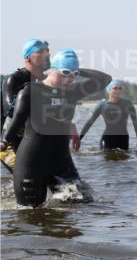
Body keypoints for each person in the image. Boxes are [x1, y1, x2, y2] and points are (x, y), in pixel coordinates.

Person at [0, 49, 111, 206]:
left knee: (83, 204)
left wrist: (77, 69)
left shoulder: (73, 92)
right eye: (64, 73)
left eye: (74, 74)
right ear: (52, 69)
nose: (69, 79)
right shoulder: (30, 91)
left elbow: (105, 79)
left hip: (61, 163)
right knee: (31, 217)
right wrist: (3, 143)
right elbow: (16, 121)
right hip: (31, 164)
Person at [78, 79, 137, 153]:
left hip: (123, 139)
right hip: (107, 139)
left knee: (123, 162)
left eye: (120, 88)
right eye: (115, 88)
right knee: (107, 161)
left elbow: (135, 123)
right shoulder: (102, 106)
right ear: (109, 90)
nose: (118, 90)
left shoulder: (127, 104)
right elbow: (89, 123)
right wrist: (79, 139)